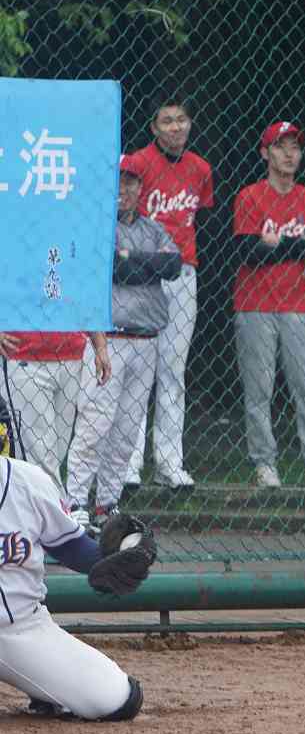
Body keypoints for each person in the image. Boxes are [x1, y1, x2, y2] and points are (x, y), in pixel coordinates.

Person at [66, 155, 181, 530]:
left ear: (140, 187)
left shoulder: (153, 228)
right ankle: (75, 500)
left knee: (127, 430)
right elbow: (112, 267)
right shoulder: (96, 226)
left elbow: (173, 265)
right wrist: (141, 264)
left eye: (130, 181)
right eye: (117, 181)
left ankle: (107, 503)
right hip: (109, 341)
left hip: (147, 339)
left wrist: (132, 260)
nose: (123, 189)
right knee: (95, 424)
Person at [0, 433, 145, 721]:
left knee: (118, 698)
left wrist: (117, 556)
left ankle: (45, 687)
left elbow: (72, 547)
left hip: (21, 629)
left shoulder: (27, 482)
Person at [232, 120, 305, 490]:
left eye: (295, 147)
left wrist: (278, 244)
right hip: (254, 304)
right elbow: (247, 252)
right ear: (265, 153)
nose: (290, 154)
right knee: (259, 390)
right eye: (280, 146)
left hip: (298, 305)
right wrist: (299, 246)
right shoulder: (249, 197)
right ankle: (264, 464)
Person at [127, 100, 214, 488]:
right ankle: (127, 463)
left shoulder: (200, 169)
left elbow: (203, 219)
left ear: (190, 124)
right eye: (167, 121)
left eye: (181, 120)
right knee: (136, 367)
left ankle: (169, 462)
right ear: (154, 127)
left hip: (183, 271)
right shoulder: (138, 163)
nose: (175, 127)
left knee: (172, 369)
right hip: (142, 273)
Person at [0, 330, 111, 506]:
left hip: (72, 353)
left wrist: (100, 345)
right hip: (21, 352)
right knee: (39, 461)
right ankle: (60, 516)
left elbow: (89, 309)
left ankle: (48, 515)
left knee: (56, 456)